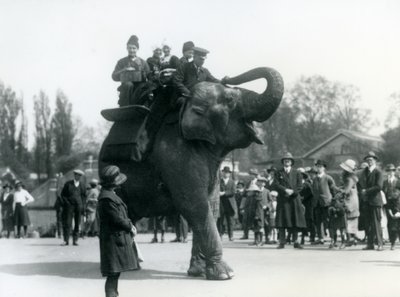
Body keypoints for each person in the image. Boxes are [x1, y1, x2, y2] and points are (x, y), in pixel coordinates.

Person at [97, 165, 140, 297]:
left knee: (114, 274)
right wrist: (130, 226)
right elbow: (116, 219)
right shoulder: (107, 199)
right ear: (113, 183)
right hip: (113, 242)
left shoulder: (109, 196)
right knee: (113, 274)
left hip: (114, 240)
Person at [275, 152, 307, 249]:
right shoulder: (278, 172)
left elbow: (300, 186)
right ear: (283, 162)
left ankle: (296, 241)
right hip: (283, 199)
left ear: (292, 162)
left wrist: (293, 192)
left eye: (288, 160)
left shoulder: (297, 173)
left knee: (295, 220)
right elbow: (275, 184)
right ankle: (282, 242)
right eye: (285, 160)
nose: (287, 161)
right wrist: (285, 190)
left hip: (294, 199)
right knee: (281, 221)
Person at [112, 35, 151, 106]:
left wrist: (144, 74)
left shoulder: (143, 62)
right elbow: (114, 76)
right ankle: (125, 107)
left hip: (139, 89)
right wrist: (124, 70)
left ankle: (140, 107)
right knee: (128, 84)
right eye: (130, 48)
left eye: (134, 48)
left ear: (137, 49)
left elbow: (149, 76)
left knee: (144, 87)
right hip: (126, 90)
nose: (132, 50)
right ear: (127, 48)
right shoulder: (121, 62)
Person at [358, 151, 384, 251]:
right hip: (366, 201)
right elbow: (360, 183)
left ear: (375, 161)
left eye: (371, 160)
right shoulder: (365, 171)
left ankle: (380, 244)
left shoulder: (378, 172)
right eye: (368, 160)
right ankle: (370, 244)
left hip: (375, 201)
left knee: (376, 223)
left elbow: (379, 186)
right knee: (368, 223)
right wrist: (362, 191)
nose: (369, 161)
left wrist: (366, 191)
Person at [311, 160, 338, 244]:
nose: (319, 168)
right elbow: (313, 191)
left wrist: (333, 201)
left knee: (329, 221)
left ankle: (333, 239)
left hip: (327, 203)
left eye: (320, 167)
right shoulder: (314, 179)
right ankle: (320, 238)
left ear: (324, 168)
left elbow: (333, 190)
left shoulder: (328, 178)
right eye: (317, 166)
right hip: (317, 203)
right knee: (318, 221)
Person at [60, 169, 86, 246]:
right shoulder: (68, 184)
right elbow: (63, 195)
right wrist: (67, 203)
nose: (78, 177)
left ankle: (75, 240)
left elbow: (84, 196)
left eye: (79, 176)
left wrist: (82, 205)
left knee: (77, 223)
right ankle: (66, 240)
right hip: (69, 207)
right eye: (77, 175)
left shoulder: (82, 185)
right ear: (74, 175)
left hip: (78, 206)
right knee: (67, 223)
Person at [339, 159, 360, 247]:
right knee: (351, 220)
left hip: (349, 201)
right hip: (354, 200)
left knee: (347, 220)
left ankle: (349, 239)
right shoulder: (353, 178)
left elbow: (346, 191)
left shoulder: (349, 179)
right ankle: (352, 238)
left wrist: (337, 190)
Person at [382, 163, 400, 250]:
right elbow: (383, 193)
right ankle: (392, 242)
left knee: (398, 224)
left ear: (394, 172)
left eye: (392, 170)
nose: (390, 172)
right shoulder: (385, 182)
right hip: (388, 205)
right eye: (388, 171)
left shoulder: (398, 181)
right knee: (390, 224)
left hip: (398, 205)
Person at [217, 166, 237, 241]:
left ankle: (231, 235)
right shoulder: (219, 181)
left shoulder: (232, 182)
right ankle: (220, 234)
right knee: (220, 220)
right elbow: (216, 190)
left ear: (229, 174)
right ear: (222, 173)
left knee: (230, 220)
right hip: (221, 203)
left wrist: (224, 193)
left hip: (230, 203)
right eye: (225, 172)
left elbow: (233, 191)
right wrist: (219, 193)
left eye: (227, 173)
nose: (226, 174)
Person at [300, 167, 317, 244]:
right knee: (303, 220)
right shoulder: (299, 184)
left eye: (301, 176)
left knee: (310, 220)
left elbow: (311, 194)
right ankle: (303, 237)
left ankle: (312, 236)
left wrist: (303, 198)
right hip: (302, 204)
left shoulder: (306, 184)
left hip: (308, 204)